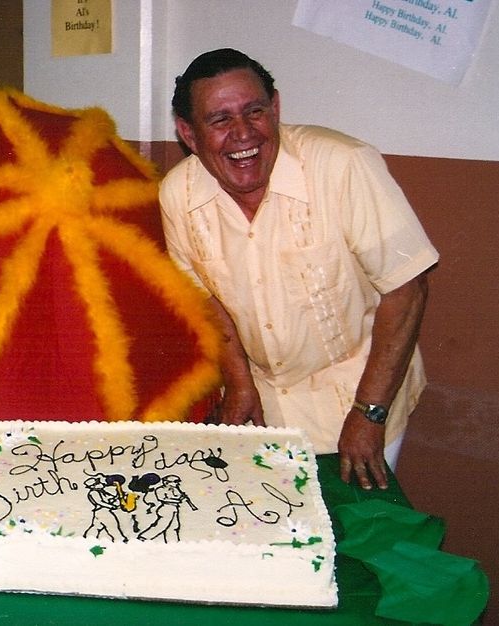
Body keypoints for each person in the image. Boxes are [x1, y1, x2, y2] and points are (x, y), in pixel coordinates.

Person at [160, 48, 438, 492]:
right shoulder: (177, 194)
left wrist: (369, 413)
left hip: (360, 395)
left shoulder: (343, 165)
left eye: (255, 111)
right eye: (219, 120)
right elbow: (206, 300)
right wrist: (240, 384)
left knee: (356, 545)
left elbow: (407, 288)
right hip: (266, 406)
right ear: (188, 134)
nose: (243, 133)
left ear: (276, 109)